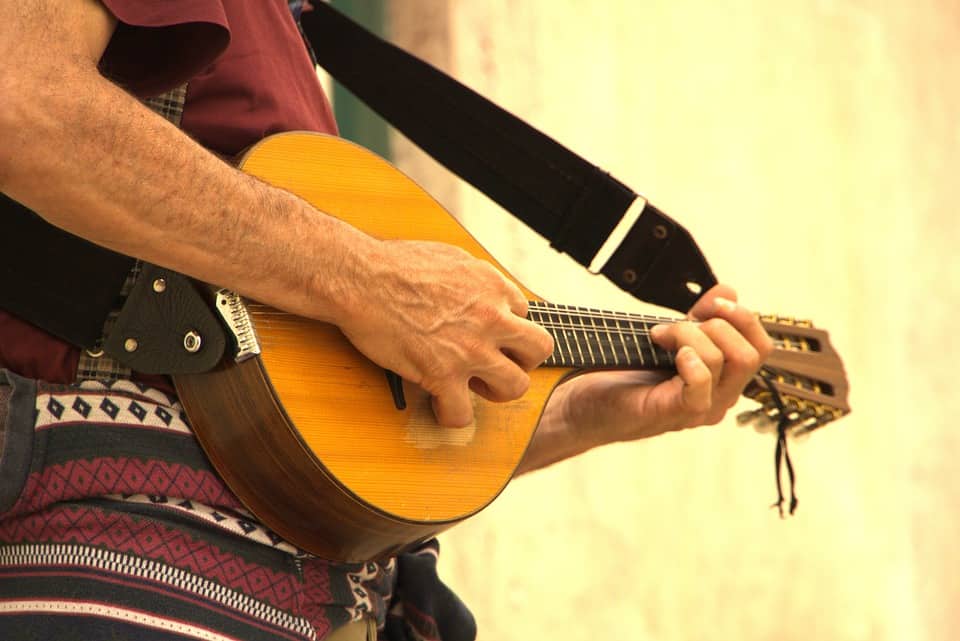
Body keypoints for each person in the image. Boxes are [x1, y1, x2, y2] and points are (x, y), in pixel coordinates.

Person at [0, 1, 773, 640]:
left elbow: (330, 430)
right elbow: (21, 99)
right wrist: (363, 277)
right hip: (109, 558)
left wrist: (584, 412)